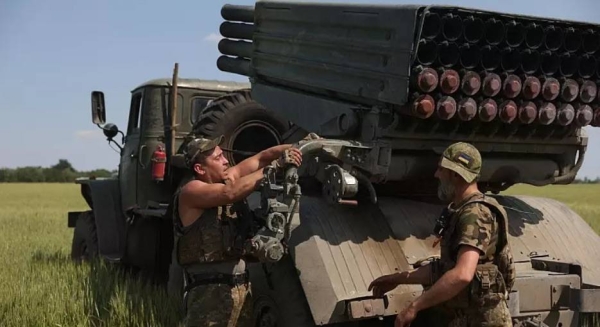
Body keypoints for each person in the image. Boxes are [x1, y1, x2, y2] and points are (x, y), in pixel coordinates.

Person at [368, 142, 515, 327]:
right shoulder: (462, 209)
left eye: (441, 169)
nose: (436, 175)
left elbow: (463, 274)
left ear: (455, 174)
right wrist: (396, 279)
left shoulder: (474, 214)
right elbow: (445, 269)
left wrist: (414, 307)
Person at [172, 135, 302, 327]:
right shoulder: (191, 192)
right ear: (200, 169)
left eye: (223, 155)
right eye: (217, 158)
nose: (225, 161)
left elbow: (262, 157)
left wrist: (297, 148)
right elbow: (229, 194)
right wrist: (275, 166)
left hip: (239, 287)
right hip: (209, 293)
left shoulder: (227, 178)